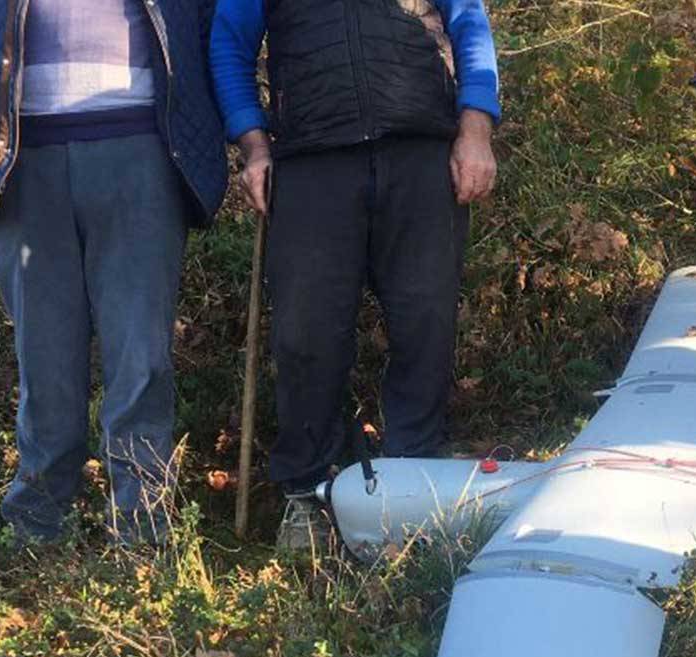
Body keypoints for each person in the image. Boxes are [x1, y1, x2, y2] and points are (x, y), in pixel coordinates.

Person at [0, 0, 229, 543]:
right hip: (20, 158)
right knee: (43, 352)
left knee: (139, 350)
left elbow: (207, 25)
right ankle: (37, 518)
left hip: (142, 149)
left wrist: (196, 117)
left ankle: (142, 520)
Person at [210, 0, 501, 549]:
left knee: (426, 320)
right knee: (305, 333)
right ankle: (307, 493)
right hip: (309, 160)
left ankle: (413, 485)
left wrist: (476, 129)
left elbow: (470, 24)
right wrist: (253, 143)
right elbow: (229, 45)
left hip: (422, 150)